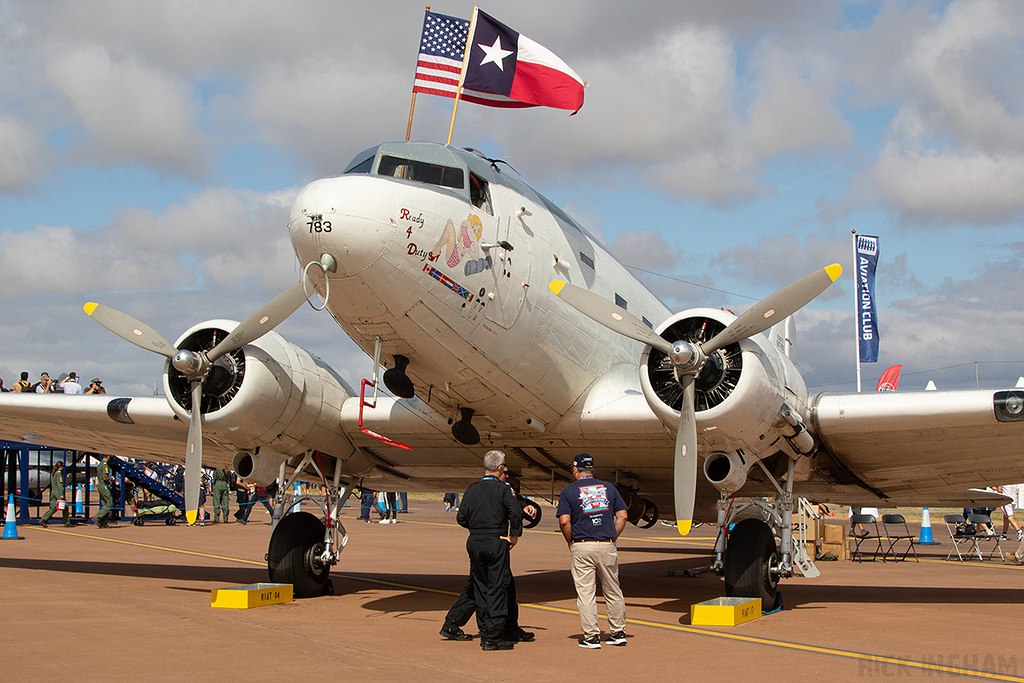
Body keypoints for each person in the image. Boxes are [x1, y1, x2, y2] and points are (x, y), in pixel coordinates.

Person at [441, 465, 535, 645]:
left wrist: (478, 530)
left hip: (475, 542)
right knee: (497, 587)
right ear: (499, 469)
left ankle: (455, 624)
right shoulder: (503, 489)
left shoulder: (472, 489)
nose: (507, 476)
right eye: (506, 472)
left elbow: (461, 518)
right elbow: (513, 510)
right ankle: (493, 635)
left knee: (479, 585)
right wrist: (514, 536)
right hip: (495, 542)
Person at [556, 453, 628, 649]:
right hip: (606, 543)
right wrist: (612, 536)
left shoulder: (569, 491)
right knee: (613, 589)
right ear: (592, 470)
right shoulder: (609, 488)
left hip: (582, 544)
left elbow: (564, 521)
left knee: (586, 592)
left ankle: (591, 636)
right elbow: (622, 516)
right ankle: (618, 631)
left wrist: (570, 541)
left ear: (576, 470)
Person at [39, 461, 70, 527]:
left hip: (53, 492)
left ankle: (44, 519)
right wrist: (61, 494)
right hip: (58, 492)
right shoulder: (59, 474)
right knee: (65, 507)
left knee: (53, 507)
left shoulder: (53, 473)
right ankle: (67, 522)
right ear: (60, 467)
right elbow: (59, 485)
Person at [94, 454, 116, 529]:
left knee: (105, 504)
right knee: (110, 502)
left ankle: (104, 523)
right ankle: (97, 517)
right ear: (107, 457)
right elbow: (104, 477)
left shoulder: (99, 465)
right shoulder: (104, 465)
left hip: (100, 485)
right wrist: (111, 480)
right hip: (104, 485)